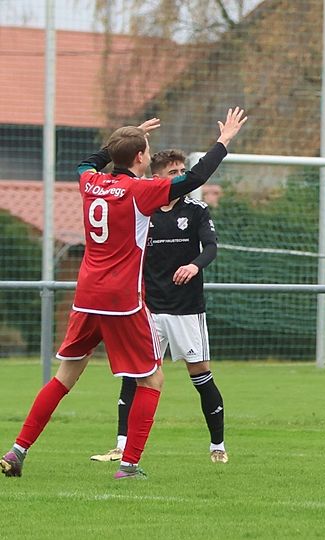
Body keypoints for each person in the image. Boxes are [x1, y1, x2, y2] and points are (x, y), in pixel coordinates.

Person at [0, 108, 247, 480]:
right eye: (146, 150)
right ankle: (129, 465)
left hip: (86, 296)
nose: (150, 155)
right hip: (122, 300)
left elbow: (87, 162)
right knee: (152, 379)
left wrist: (123, 137)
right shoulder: (140, 192)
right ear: (140, 158)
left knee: (64, 376)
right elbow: (195, 177)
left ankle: (17, 451)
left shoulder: (90, 182)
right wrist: (223, 141)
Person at [90, 149, 228, 465]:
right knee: (135, 374)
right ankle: (122, 446)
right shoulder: (143, 209)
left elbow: (211, 247)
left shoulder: (196, 210)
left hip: (186, 308)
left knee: (201, 376)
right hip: (147, 309)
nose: (180, 176)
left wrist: (194, 266)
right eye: (173, 172)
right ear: (157, 178)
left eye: (183, 170)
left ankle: (217, 446)